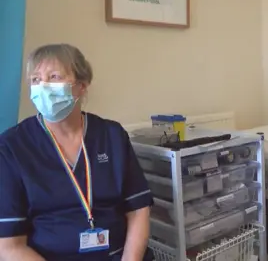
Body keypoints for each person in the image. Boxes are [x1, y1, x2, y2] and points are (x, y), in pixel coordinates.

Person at [0, 44, 154, 261]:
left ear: (81, 85)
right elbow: (8, 246)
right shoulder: (11, 147)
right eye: (35, 80)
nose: (43, 86)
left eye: (53, 76)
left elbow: (138, 210)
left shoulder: (112, 135)